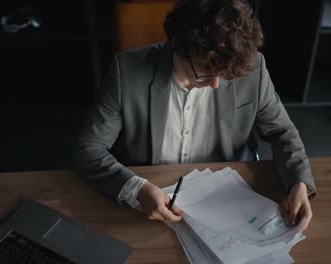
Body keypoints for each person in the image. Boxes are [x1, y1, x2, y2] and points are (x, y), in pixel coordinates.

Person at [74, 0, 316, 232]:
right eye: (205, 73)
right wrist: (136, 189)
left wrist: (298, 182)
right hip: (150, 198)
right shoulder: (126, 71)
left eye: (224, 75)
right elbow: (89, 148)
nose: (214, 84)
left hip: (226, 197)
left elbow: (281, 131)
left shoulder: (252, 69)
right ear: (179, 44)